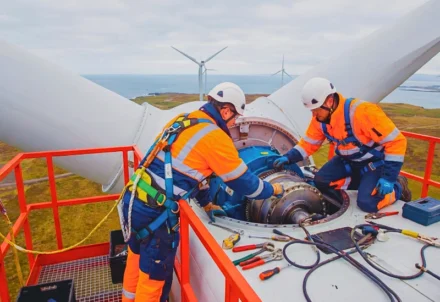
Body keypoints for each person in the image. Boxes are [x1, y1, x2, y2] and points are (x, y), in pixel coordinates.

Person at [121, 82, 284, 302]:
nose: (235, 122)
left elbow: (188, 171)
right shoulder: (215, 137)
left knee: (135, 260)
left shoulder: (182, 120)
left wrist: (206, 203)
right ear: (226, 110)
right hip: (156, 213)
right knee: (154, 282)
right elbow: (246, 184)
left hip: (135, 199)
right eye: (235, 116)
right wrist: (272, 188)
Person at [273, 77, 412, 213]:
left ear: (329, 101)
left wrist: (388, 178)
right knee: (320, 182)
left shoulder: (363, 112)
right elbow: (309, 143)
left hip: (374, 164)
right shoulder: (320, 119)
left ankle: (398, 187)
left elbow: (396, 141)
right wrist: (288, 157)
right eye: (312, 111)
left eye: (316, 109)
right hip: (348, 161)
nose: (314, 114)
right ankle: (364, 183)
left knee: (368, 203)